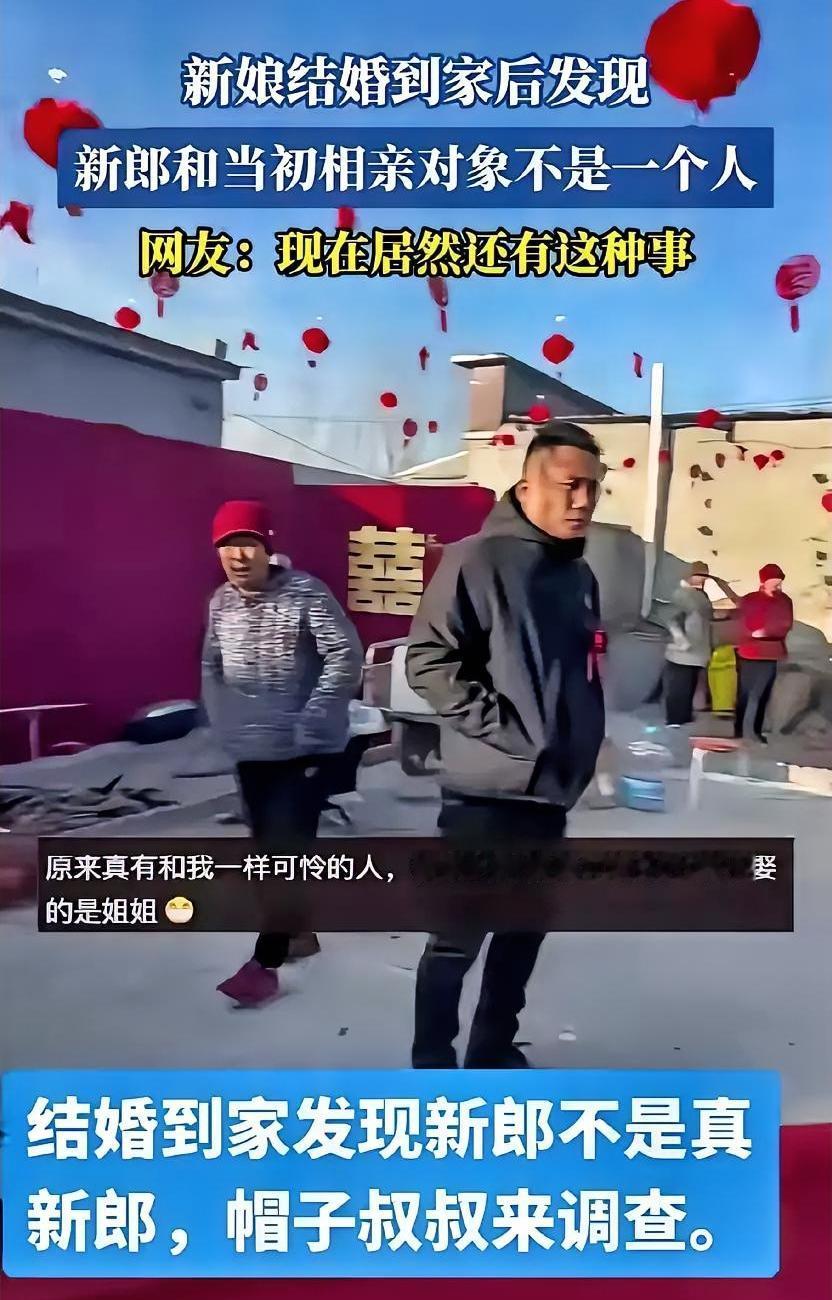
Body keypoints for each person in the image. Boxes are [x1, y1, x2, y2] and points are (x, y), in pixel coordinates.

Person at [405, 423, 606, 1069]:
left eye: (593, 487)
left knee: (522, 933)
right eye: (570, 485)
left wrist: (582, 744)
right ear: (526, 487)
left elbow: (578, 673)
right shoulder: (476, 560)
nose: (583, 500)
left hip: (550, 794)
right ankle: (432, 1068)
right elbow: (429, 661)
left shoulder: (579, 576)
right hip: (484, 795)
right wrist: (511, 733)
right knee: (456, 941)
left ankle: (491, 1052)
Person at [202, 500, 363, 1006]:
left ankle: (263, 964)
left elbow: (345, 655)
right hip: (251, 751)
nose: (238, 556)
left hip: (303, 750)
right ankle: (298, 932)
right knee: (266, 852)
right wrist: (224, 723)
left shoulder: (305, 593)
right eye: (227, 546)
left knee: (285, 853)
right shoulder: (220, 603)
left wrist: (314, 719)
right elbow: (211, 665)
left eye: (247, 544)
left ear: (267, 547)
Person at [663, 562, 735, 727]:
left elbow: (704, 617)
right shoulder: (680, 594)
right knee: (678, 686)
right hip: (682, 651)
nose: (702, 580)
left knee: (688, 686)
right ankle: (675, 718)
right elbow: (671, 620)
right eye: (700, 576)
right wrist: (681, 641)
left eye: (704, 577)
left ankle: (683, 716)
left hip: (697, 649)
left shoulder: (700, 596)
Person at [734, 563, 793, 743]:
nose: (777, 584)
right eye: (773, 580)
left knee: (763, 693)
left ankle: (756, 730)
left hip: (771, 653)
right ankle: (738, 729)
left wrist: (766, 631)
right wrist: (753, 632)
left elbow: (786, 623)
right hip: (749, 652)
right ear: (764, 581)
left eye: (779, 581)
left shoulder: (784, 601)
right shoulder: (750, 600)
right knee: (744, 692)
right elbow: (742, 623)